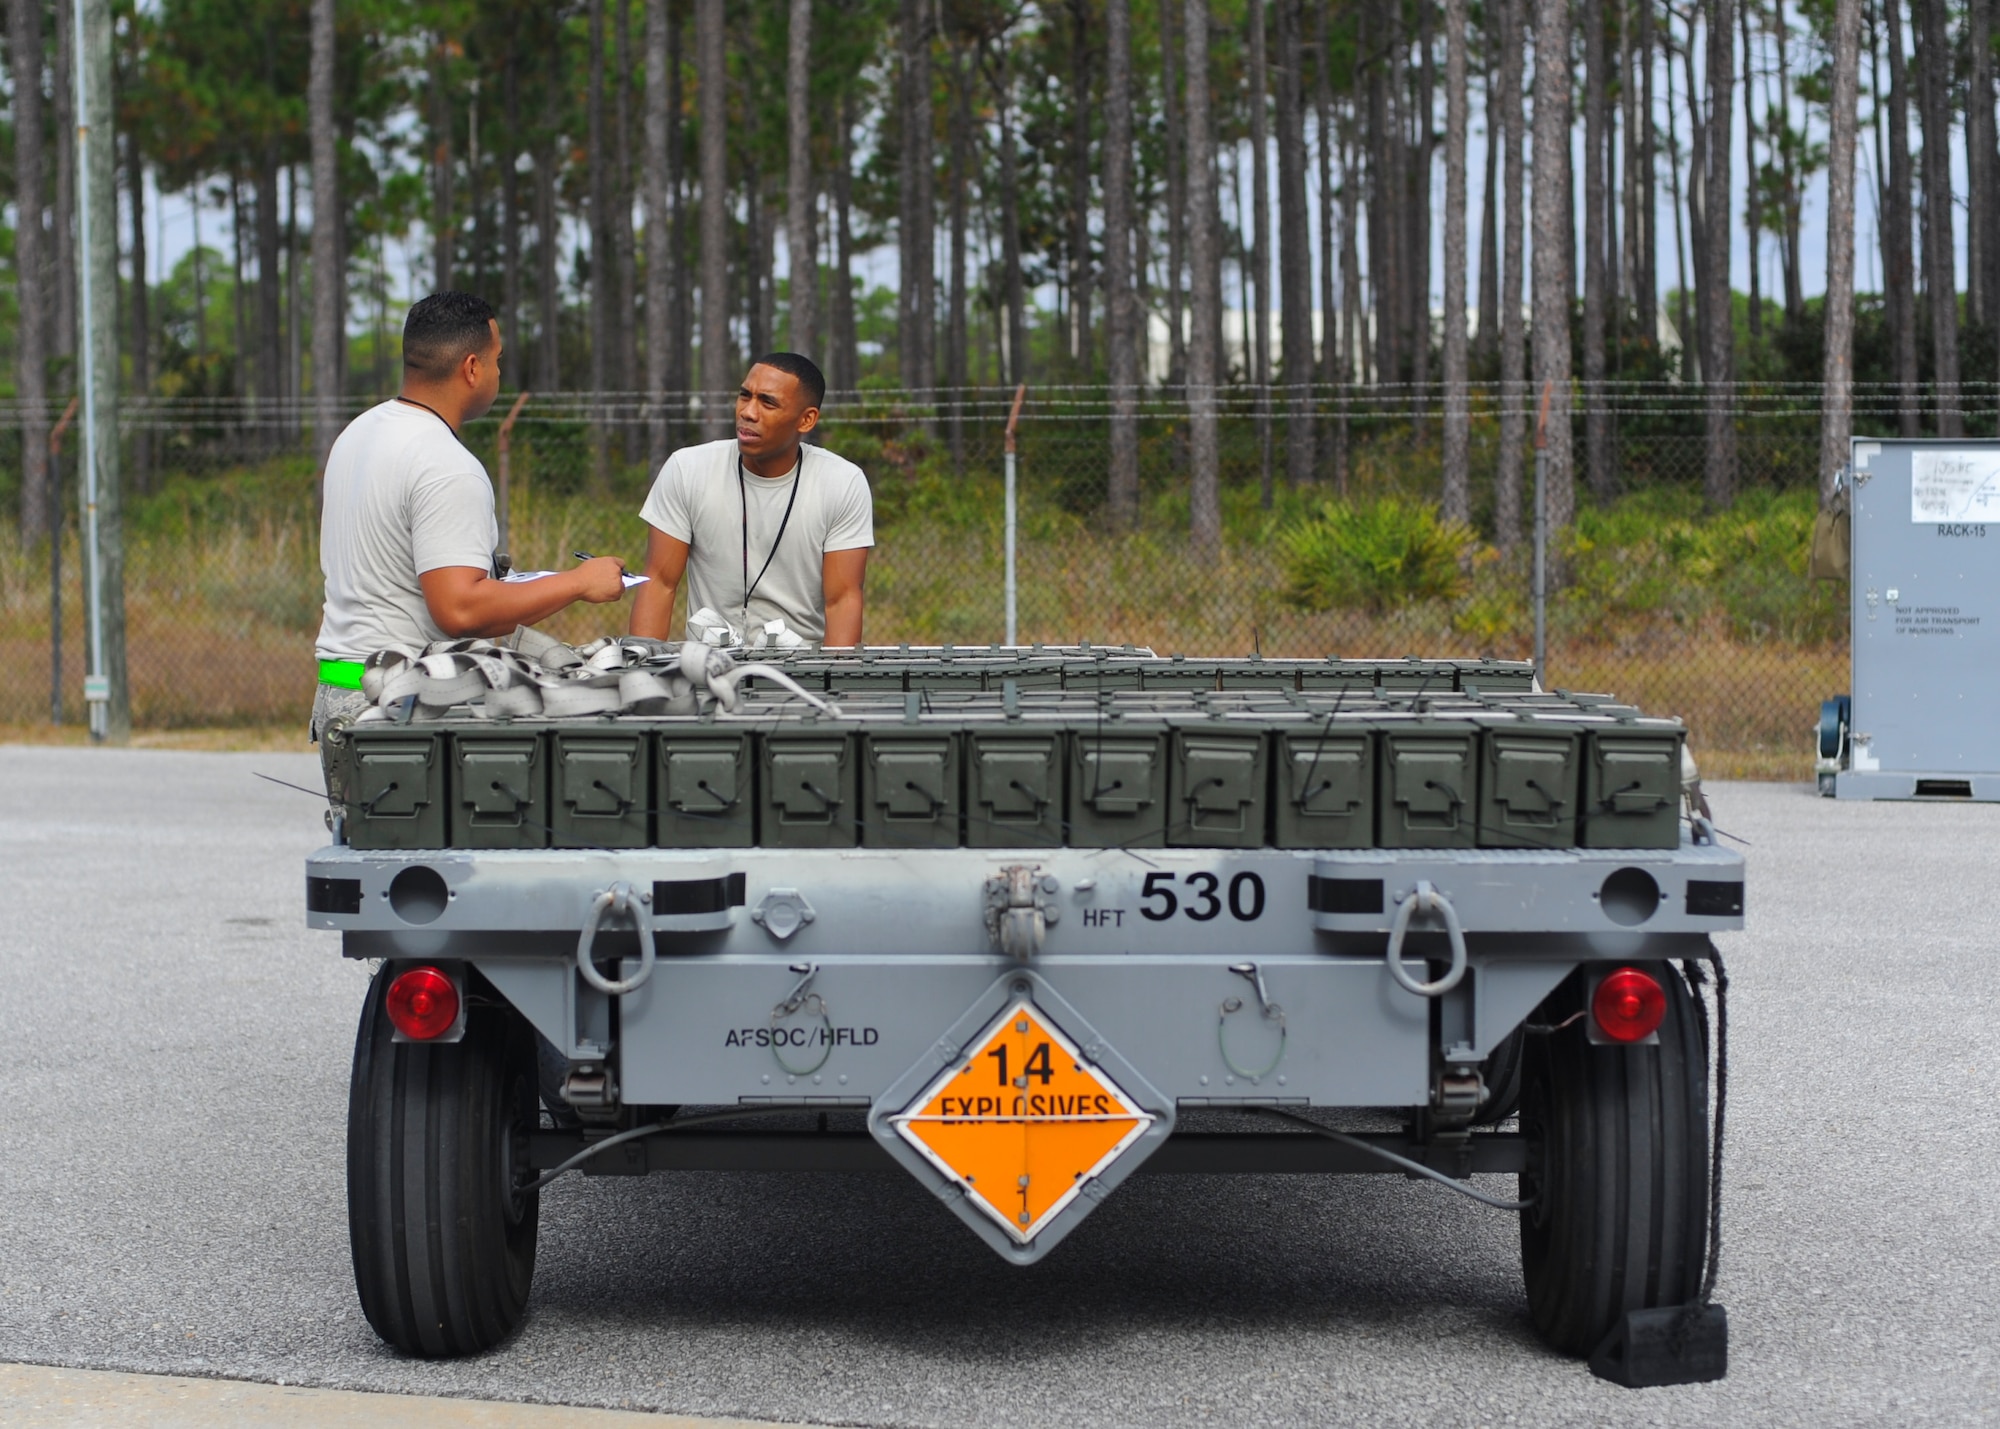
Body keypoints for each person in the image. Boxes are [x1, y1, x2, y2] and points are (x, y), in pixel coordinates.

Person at [311, 291, 630, 737]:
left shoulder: (358, 433)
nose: (499, 372)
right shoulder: (445, 463)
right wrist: (579, 582)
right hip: (401, 708)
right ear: (472, 368)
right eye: (497, 360)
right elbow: (459, 610)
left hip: (341, 691)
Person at [629, 353, 872, 647]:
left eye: (767, 402)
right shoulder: (687, 469)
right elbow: (659, 582)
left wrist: (832, 688)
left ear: (806, 420)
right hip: (708, 667)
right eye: (745, 396)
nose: (748, 412)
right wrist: (643, 678)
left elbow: (842, 600)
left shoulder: (842, 483)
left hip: (802, 671)